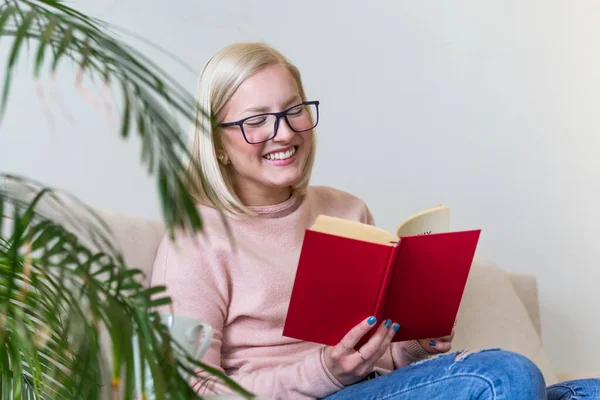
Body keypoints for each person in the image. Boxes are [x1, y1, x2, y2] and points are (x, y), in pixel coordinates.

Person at [150, 42, 600, 400]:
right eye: (257, 121)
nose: (284, 133)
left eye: (293, 111)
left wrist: (419, 343)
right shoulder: (194, 240)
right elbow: (190, 390)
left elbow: (383, 353)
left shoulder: (345, 211)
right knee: (504, 375)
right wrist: (324, 370)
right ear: (219, 145)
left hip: (375, 389)